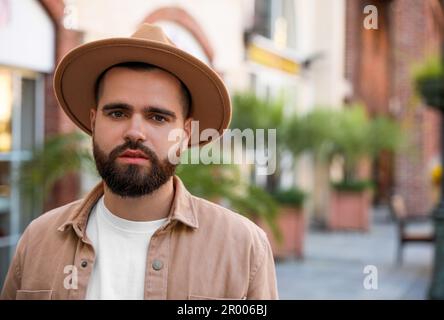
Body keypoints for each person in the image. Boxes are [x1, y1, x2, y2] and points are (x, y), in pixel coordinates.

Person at [0, 24, 278, 300]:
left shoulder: (243, 248)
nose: (135, 132)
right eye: (118, 113)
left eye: (158, 117)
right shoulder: (38, 240)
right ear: (94, 122)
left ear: (185, 134)